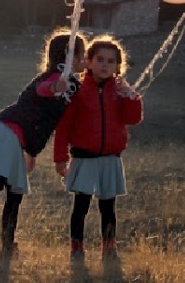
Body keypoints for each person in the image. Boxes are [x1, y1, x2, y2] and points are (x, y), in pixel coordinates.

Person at [0, 28, 86, 258]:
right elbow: (43, 90)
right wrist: (55, 88)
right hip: (9, 133)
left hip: (16, 138)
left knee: (14, 193)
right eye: (82, 54)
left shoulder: (70, 85)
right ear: (69, 55)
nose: (85, 59)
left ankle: (6, 245)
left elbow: (45, 119)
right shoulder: (56, 79)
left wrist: (30, 152)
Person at [53, 34, 143, 261]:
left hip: (110, 158)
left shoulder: (119, 92)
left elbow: (132, 119)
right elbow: (63, 127)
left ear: (117, 66)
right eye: (100, 60)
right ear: (89, 62)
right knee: (81, 206)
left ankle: (109, 246)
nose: (105, 65)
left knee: (108, 207)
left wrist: (131, 96)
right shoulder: (78, 91)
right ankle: (76, 246)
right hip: (84, 157)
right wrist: (60, 157)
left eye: (111, 61)